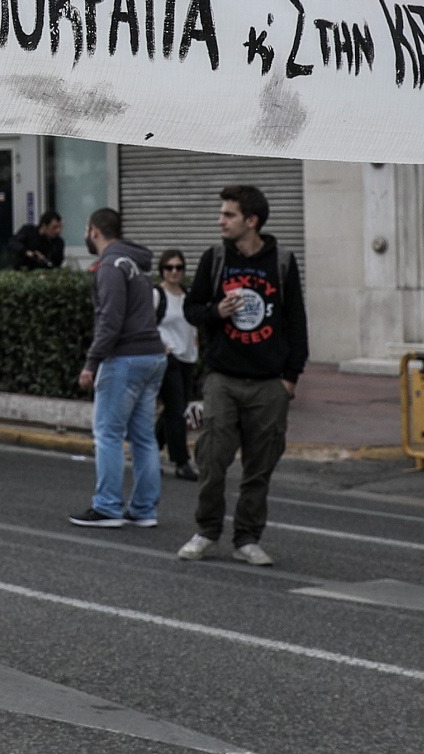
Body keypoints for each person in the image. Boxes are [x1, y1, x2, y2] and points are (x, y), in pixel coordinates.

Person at [177, 185, 309, 566]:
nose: (220, 220)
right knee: (212, 459)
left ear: (251, 221)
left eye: (229, 215)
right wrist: (215, 311)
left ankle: (247, 538)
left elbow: (296, 322)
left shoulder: (281, 261)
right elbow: (192, 309)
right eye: (221, 214)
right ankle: (206, 531)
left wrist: (290, 378)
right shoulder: (215, 258)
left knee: (259, 466)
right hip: (223, 377)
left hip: (269, 382)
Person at [69, 207, 167, 529]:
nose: (86, 235)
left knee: (108, 434)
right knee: (143, 438)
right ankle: (144, 510)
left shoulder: (110, 266)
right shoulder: (135, 265)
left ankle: (108, 507)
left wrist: (91, 362)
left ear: (94, 230)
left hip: (124, 359)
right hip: (153, 356)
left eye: (86, 229)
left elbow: (110, 320)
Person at [153, 250, 202, 480]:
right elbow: (144, 324)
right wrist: (159, 345)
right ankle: (181, 462)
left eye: (178, 267)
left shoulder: (188, 295)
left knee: (177, 406)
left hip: (187, 356)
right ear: (162, 269)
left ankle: (150, 450)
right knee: (176, 409)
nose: (174, 272)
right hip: (168, 358)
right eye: (169, 267)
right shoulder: (156, 295)